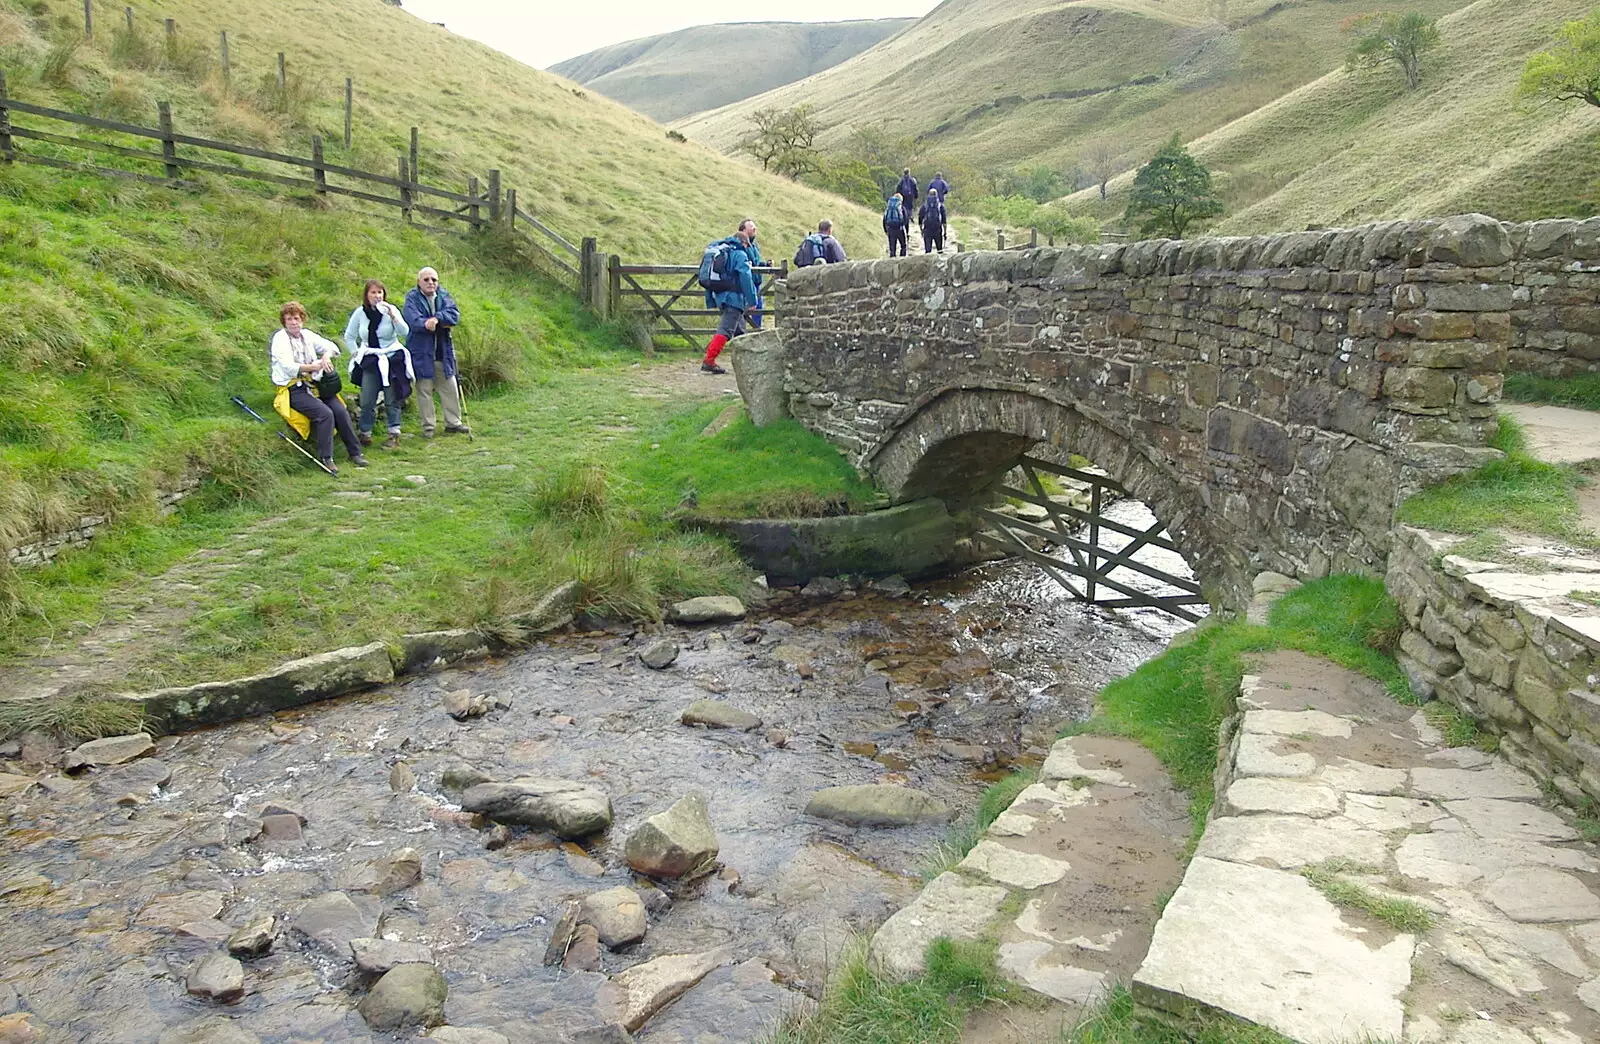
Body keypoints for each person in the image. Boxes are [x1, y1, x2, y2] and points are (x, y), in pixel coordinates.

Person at [270, 302, 367, 474]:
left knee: (340, 411)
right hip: (294, 388)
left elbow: (332, 347)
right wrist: (312, 367)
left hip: (315, 384)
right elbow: (288, 366)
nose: (294, 323)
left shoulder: (306, 335)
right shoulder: (280, 339)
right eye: (290, 319)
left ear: (302, 320)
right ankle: (326, 458)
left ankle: (355, 452)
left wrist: (325, 358)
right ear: (284, 321)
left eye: (297, 318)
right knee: (325, 414)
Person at [343, 279, 412, 450]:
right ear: (367, 295)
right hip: (371, 358)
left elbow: (405, 332)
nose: (377, 296)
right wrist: (355, 352)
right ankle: (365, 433)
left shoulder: (391, 310)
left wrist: (393, 317)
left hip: (391, 358)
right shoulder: (360, 313)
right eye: (373, 292)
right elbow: (350, 336)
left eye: (380, 292)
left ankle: (393, 434)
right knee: (367, 400)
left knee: (392, 398)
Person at [401, 266, 469, 438]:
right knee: (424, 389)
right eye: (426, 280)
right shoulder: (412, 298)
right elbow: (413, 320)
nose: (431, 282)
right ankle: (428, 426)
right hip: (421, 351)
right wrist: (428, 324)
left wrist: (436, 319)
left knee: (450, 387)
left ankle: (453, 423)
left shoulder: (444, 296)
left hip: (442, 351)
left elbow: (454, 315)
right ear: (419, 282)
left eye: (434, 279)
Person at [700, 218, 761, 375]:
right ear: (745, 243)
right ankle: (709, 360)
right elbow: (745, 277)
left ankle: (748, 361)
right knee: (726, 330)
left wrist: (711, 299)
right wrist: (753, 300)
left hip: (721, 295)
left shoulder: (723, 249)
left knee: (739, 330)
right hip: (733, 298)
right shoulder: (739, 254)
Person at [919, 189, 947, 255]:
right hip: (938, 229)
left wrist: (921, 230)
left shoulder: (924, 206)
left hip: (927, 229)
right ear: (936, 195)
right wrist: (945, 232)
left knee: (928, 251)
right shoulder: (940, 206)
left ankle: (927, 264)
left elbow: (920, 219)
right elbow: (944, 220)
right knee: (939, 250)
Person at [883, 193, 909, 258]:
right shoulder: (901, 207)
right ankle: (902, 259)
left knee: (892, 248)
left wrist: (886, 230)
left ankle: (892, 261)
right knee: (903, 246)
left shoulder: (888, 207)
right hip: (900, 229)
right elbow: (906, 220)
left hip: (890, 229)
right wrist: (907, 231)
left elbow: (884, 219)